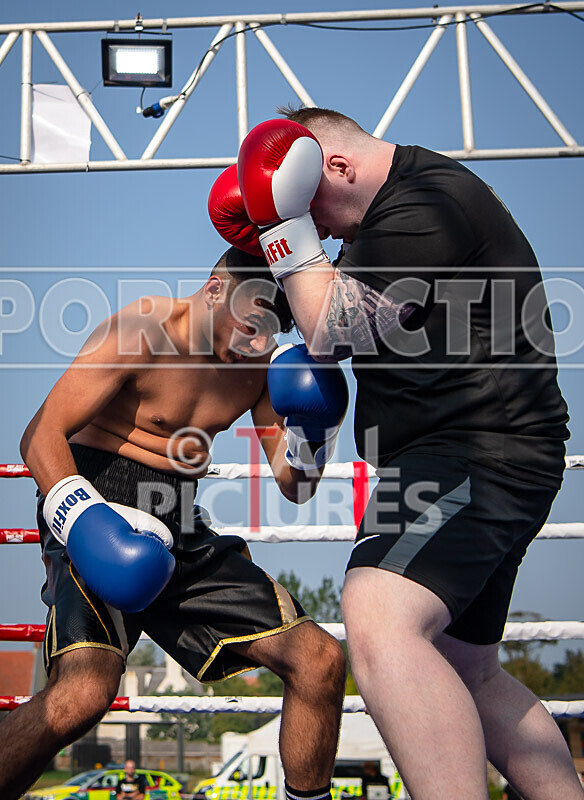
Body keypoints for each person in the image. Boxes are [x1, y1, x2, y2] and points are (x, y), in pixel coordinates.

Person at [209, 109, 584, 799]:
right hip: (480, 452)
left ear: (337, 167)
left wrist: (280, 228)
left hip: (473, 449)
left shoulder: (424, 203)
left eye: (308, 205)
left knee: (379, 610)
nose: (315, 227)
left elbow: (330, 329)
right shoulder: (396, 215)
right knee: (468, 671)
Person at [0, 246, 347, 800]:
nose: (259, 344)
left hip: (178, 518)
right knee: (83, 694)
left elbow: (294, 485)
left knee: (320, 660)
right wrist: (83, 519)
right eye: (252, 325)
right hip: (92, 497)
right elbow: (39, 434)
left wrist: (315, 432)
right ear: (214, 290)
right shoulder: (142, 327)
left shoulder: (260, 367)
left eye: (273, 332)